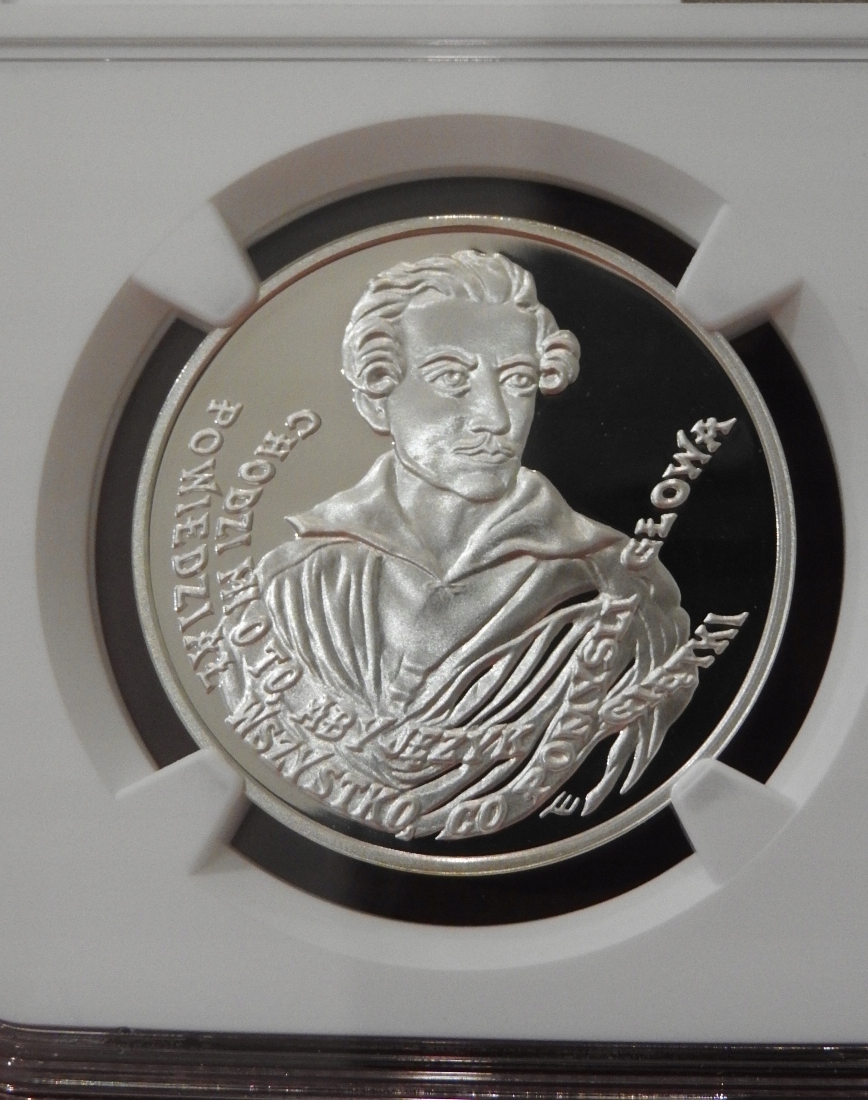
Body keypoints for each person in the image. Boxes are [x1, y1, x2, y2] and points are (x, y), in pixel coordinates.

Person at [217, 250, 701, 844]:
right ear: (375, 397)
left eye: (517, 381)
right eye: (451, 378)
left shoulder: (620, 588)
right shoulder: (287, 589)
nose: (495, 418)